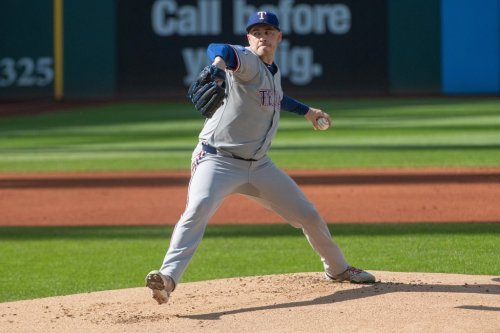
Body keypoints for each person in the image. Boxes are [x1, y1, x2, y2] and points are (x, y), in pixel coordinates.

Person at [146, 11, 375, 305]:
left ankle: (338, 269)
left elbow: (277, 98)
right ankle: (166, 279)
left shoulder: (271, 72)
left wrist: (308, 112)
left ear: (278, 37)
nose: (262, 36)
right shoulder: (248, 61)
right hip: (218, 160)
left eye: (268, 31)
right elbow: (220, 49)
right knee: (198, 208)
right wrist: (216, 66)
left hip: (259, 165)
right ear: (249, 39)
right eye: (256, 32)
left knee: (308, 215)